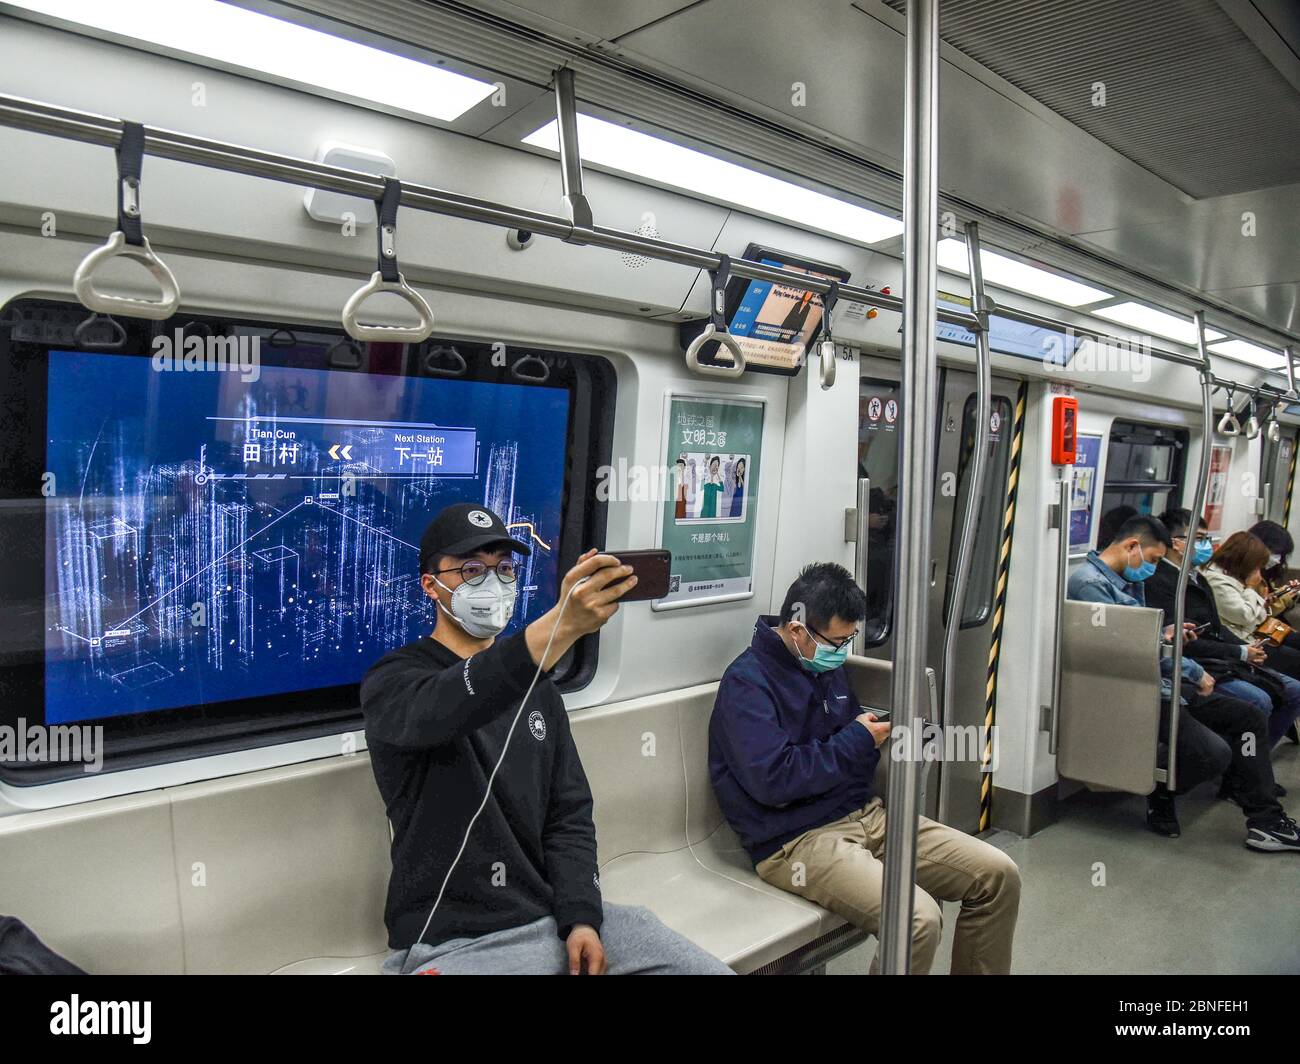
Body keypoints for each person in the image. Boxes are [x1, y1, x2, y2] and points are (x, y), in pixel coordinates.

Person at [361, 503, 733, 975]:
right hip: (452, 942)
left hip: (552, 919)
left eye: (504, 569)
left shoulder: (540, 690)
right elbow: (454, 700)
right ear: (431, 585)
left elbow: (568, 815)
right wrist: (560, 625)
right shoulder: (396, 682)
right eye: (471, 570)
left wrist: (581, 917)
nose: (492, 583)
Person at [709, 562, 1021, 973]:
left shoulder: (828, 670)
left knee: (998, 875)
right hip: (796, 841)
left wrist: (867, 740)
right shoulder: (747, 684)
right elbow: (774, 780)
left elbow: (848, 754)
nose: (842, 652)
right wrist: (857, 740)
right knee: (917, 920)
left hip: (865, 815)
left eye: (849, 640)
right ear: (798, 628)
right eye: (837, 641)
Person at [1067, 515, 1299, 850]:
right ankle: (1161, 791)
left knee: (1248, 716)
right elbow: (1129, 647)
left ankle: (1266, 821)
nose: (1152, 567)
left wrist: (1169, 634)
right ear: (1132, 546)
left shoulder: (1129, 580)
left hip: (1164, 679)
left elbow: (1142, 635)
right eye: (1152, 560)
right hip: (1138, 691)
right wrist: (1192, 670)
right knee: (1213, 754)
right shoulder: (1090, 585)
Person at [1148, 508, 1298, 785]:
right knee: (1259, 700)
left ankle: (1252, 769)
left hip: (1230, 650)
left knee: (1289, 688)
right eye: (1200, 538)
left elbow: (1218, 629)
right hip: (1200, 662)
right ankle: (1244, 774)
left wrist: (1243, 650)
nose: (1206, 546)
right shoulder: (1198, 581)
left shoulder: (1197, 579)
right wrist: (1241, 650)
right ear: (1176, 541)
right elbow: (1246, 617)